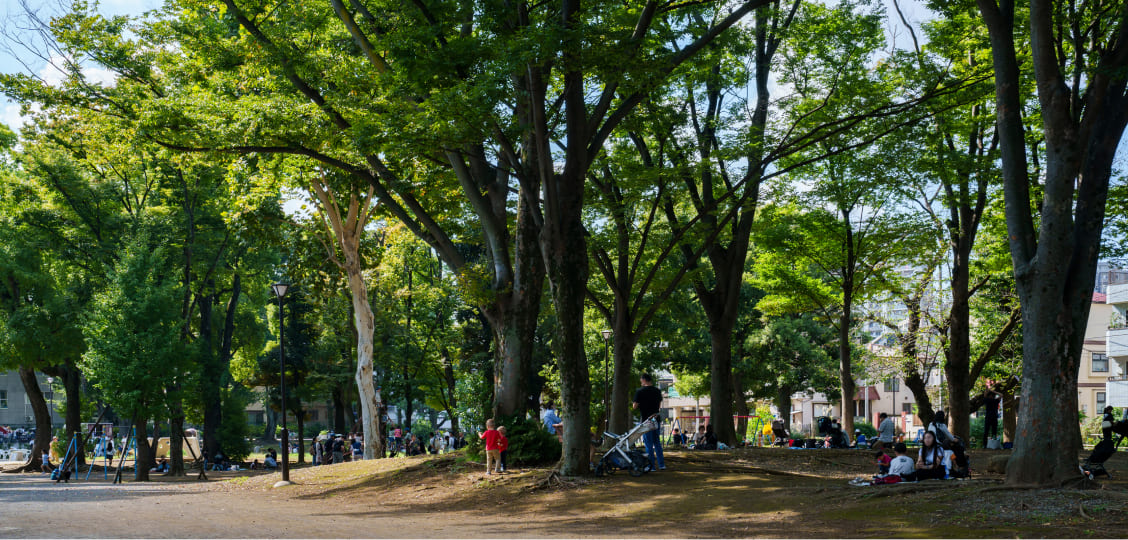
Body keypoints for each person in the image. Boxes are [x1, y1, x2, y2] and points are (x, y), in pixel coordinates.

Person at [632, 373, 666, 471]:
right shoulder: (657, 391)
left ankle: (651, 466)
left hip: (646, 420)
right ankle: (661, 464)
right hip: (656, 418)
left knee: (648, 443)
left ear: (643, 380)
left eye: (641, 380)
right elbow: (659, 406)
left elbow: (634, 406)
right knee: (657, 442)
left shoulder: (639, 391)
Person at [982, 380, 1002, 446]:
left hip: (989, 417)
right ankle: (991, 444)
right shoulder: (995, 401)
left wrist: (990, 390)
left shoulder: (988, 400)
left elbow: (985, 395)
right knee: (993, 431)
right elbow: (1001, 395)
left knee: (987, 431)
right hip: (993, 417)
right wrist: (994, 391)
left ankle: (985, 445)